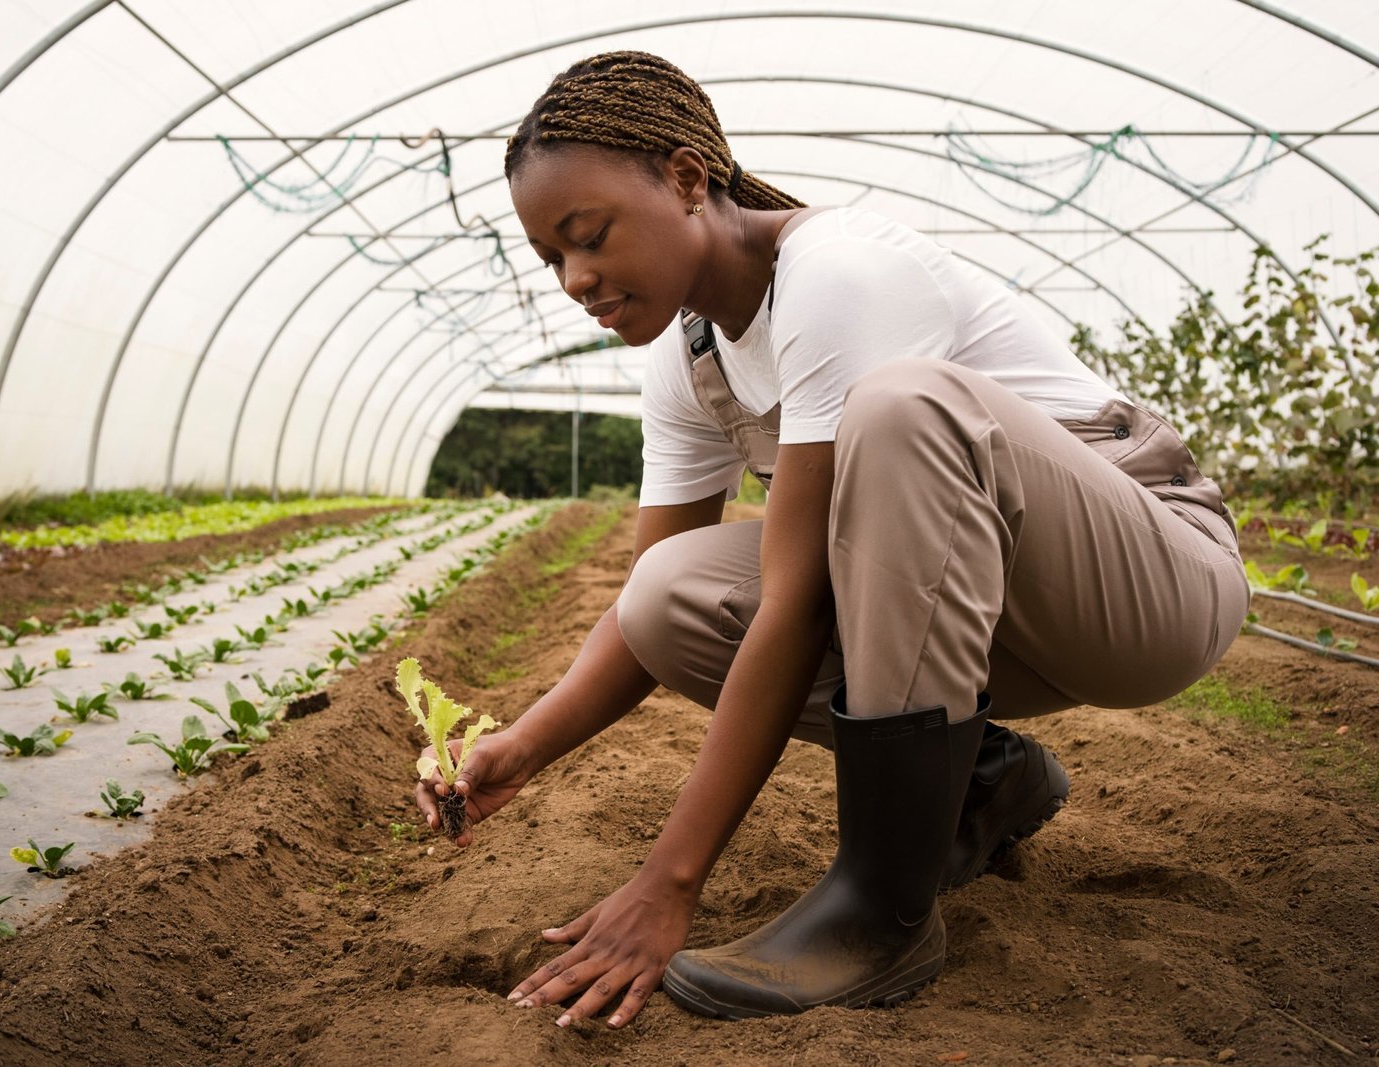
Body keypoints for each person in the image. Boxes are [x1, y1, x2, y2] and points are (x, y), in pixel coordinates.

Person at [413, 50, 1250, 1029]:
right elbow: (647, 609)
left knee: (899, 410)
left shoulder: (839, 270)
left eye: (587, 236)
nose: (574, 278)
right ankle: (978, 776)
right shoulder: (688, 358)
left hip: (1150, 586)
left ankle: (882, 910)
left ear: (688, 179)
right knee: (666, 590)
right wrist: (523, 745)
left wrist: (667, 882)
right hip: (989, 613)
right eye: (550, 258)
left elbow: (797, 598)